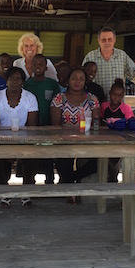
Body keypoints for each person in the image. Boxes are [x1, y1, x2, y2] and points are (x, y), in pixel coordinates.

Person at [0, 67, 39, 207]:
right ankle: (4, 191)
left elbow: (32, 127)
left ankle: (26, 192)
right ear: (6, 80)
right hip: (0, 139)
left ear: (22, 81)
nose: (15, 82)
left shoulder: (30, 98)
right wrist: (6, 146)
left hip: (25, 140)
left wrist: (19, 146)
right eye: (11, 78)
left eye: (18, 79)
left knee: (33, 157)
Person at [50, 68, 100, 201]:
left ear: (85, 82)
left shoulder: (92, 99)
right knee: (63, 161)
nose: (77, 82)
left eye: (81, 79)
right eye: (74, 78)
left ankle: (71, 179)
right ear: (68, 80)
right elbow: (55, 126)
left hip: (88, 141)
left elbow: (96, 123)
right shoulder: (59, 98)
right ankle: (70, 188)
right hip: (64, 141)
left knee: (99, 160)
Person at [23, 54, 60, 185]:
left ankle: (49, 181)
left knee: (47, 155)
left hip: (48, 125)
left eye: (41, 64)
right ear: (31, 66)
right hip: (30, 127)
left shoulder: (53, 84)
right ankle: (29, 183)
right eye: (35, 64)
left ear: (46, 67)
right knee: (31, 156)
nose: (38, 66)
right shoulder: (26, 84)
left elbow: (58, 103)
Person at [81, 26, 135, 96]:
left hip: (117, 104)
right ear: (98, 40)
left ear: (114, 40)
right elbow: (82, 78)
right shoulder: (90, 57)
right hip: (95, 103)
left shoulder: (122, 55)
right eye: (104, 40)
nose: (107, 42)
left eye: (110, 39)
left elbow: (134, 73)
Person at [100, 78, 134, 182]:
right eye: (114, 94)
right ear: (110, 93)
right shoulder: (104, 106)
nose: (116, 97)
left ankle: (113, 178)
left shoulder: (125, 108)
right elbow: (100, 120)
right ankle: (110, 177)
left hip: (120, 139)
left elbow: (131, 122)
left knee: (114, 159)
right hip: (105, 138)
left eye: (119, 95)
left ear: (122, 96)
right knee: (104, 158)